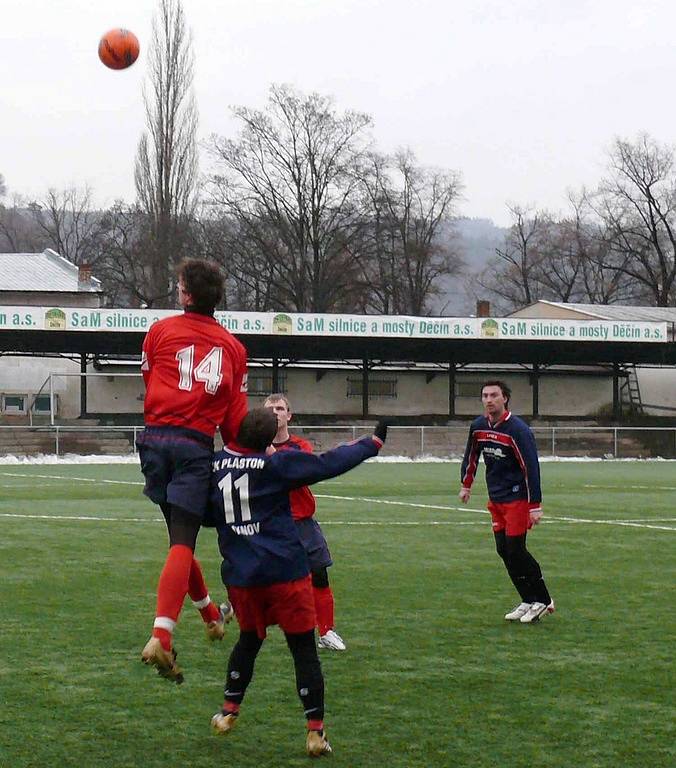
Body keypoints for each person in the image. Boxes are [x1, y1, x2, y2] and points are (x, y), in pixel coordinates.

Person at [208, 408, 388, 757]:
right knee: (303, 649)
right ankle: (315, 733)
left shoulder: (213, 464)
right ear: (267, 441)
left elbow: (203, 514)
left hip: (241, 577)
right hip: (284, 573)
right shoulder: (277, 465)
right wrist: (372, 443)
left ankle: (228, 712)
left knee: (249, 640)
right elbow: (327, 464)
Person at [136, 258, 248, 683]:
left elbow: (151, 382)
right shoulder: (235, 349)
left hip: (155, 439)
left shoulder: (159, 332)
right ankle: (161, 636)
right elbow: (234, 422)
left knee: (176, 543)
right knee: (183, 542)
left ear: (185, 294)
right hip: (194, 444)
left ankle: (209, 616)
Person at [458, 380, 554, 624]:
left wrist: (535, 505)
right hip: (496, 498)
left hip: (518, 499)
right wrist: (466, 484)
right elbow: (471, 455)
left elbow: (531, 467)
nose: (489, 399)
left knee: (516, 550)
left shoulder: (518, 430)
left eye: (494, 395)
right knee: (503, 550)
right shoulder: (479, 426)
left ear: (505, 399)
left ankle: (543, 599)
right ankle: (527, 599)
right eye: (485, 395)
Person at [263, 393, 346, 651]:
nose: (275, 413)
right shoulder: (253, 446)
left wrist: (270, 453)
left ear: (289, 415)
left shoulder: (300, 445)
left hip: (303, 522)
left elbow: (298, 472)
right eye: (270, 409)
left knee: (319, 575)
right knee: (263, 579)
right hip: (272, 523)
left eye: (280, 408)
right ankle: (241, 617)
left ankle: (326, 631)